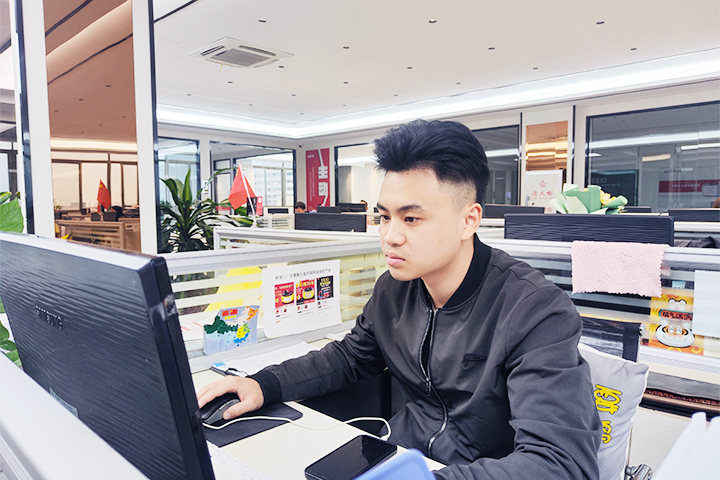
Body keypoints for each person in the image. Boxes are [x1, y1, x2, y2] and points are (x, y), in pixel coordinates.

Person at [198, 120, 601, 479]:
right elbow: (349, 357)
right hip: (399, 458)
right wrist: (263, 384)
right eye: (384, 216)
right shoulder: (394, 288)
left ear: (469, 220)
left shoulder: (534, 310)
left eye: (411, 218)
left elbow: (561, 463)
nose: (390, 236)